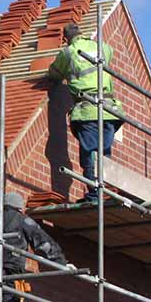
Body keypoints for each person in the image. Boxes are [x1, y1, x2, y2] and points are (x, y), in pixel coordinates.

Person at [48, 23, 123, 203]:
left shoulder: (69, 52)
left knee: (91, 152)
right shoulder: (102, 48)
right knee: (104, 152)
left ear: (66, 39)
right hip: (109, 110)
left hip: (88, 110)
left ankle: (95, 194)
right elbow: (109, 54)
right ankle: (103, 192)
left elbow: (54, 74)